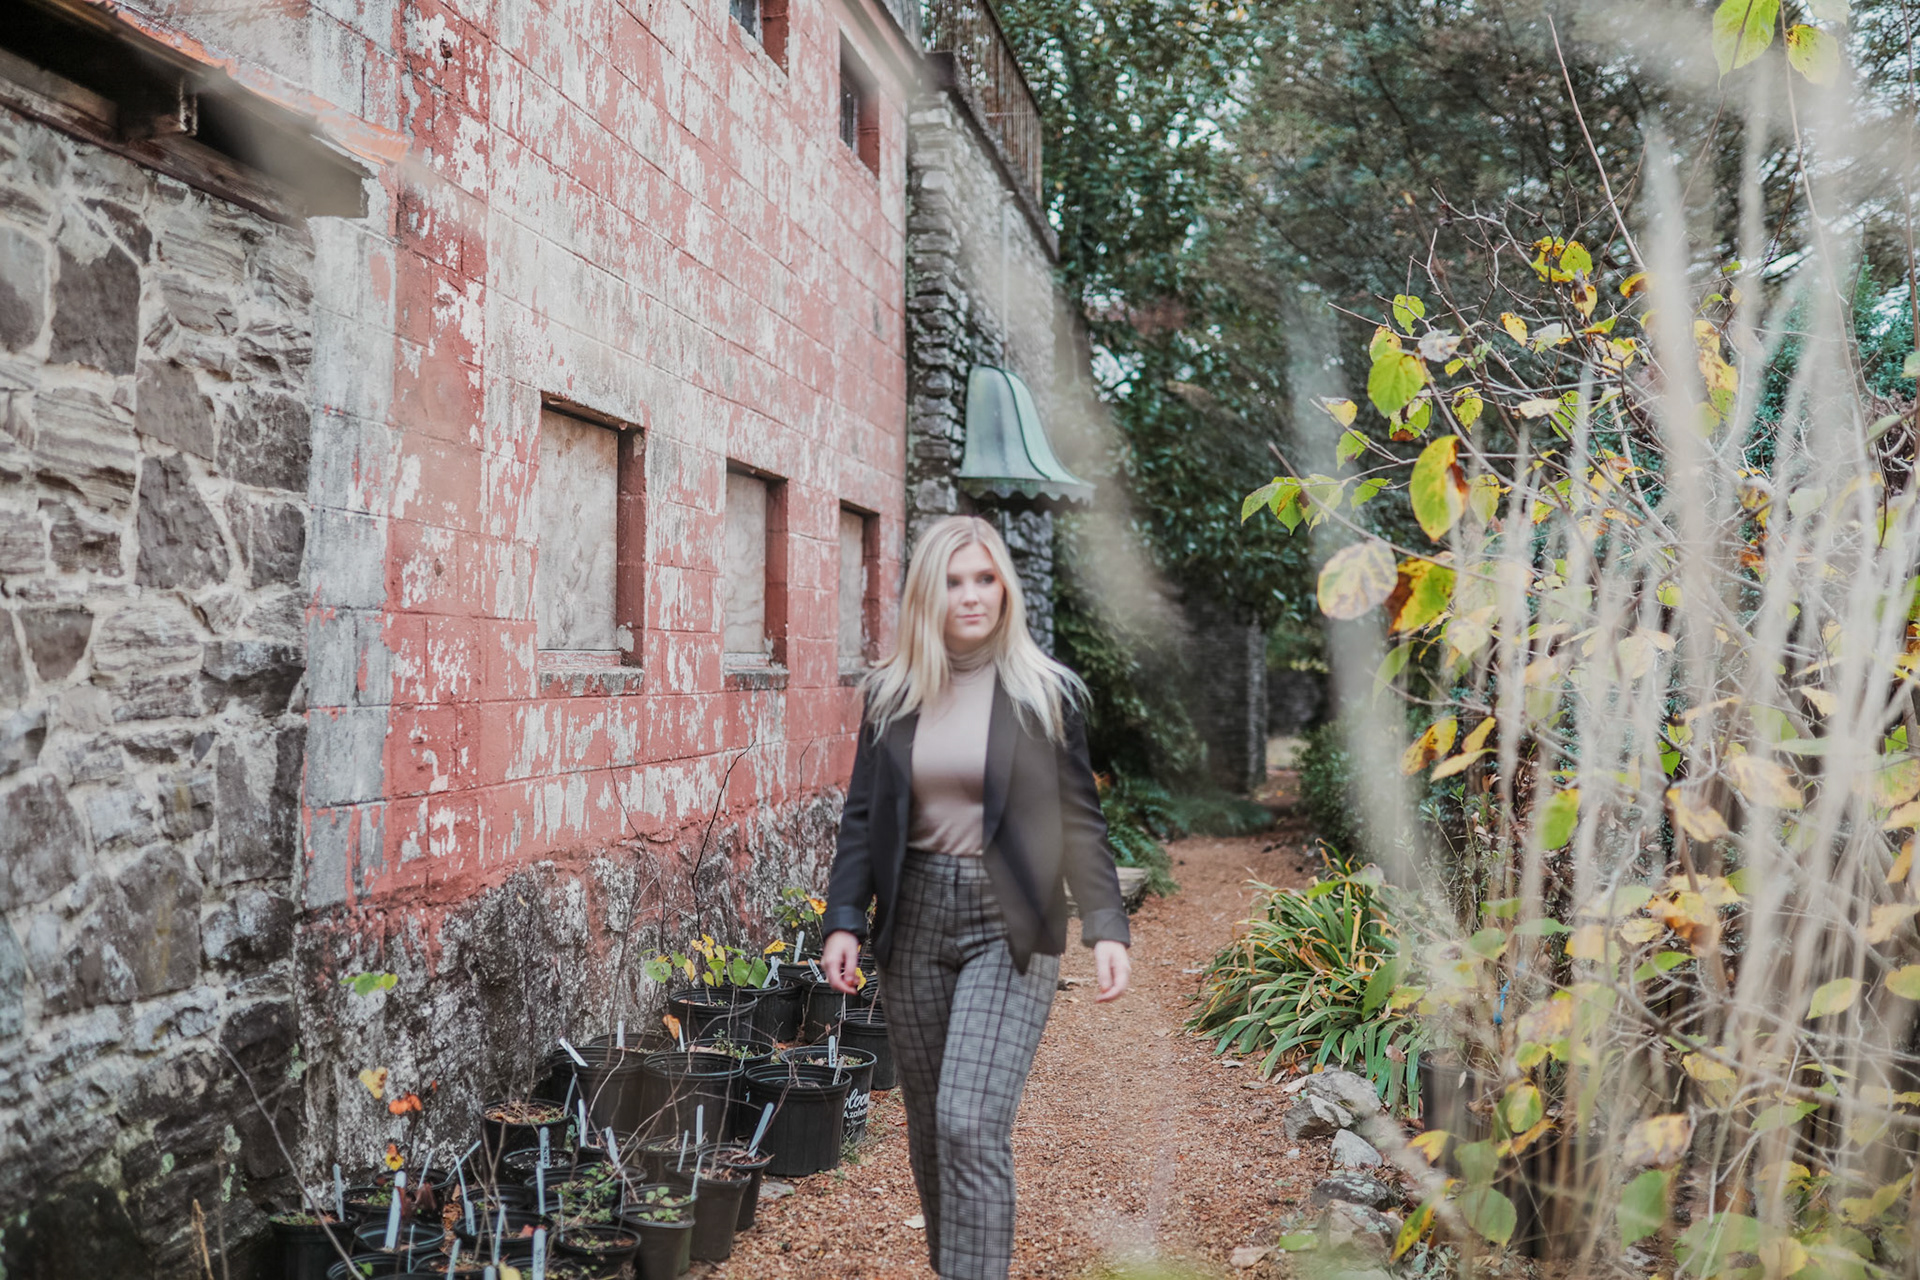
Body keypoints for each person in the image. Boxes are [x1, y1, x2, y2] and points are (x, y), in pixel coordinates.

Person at [819, 514, 1133, 1280]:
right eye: (955, 581)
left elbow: (1079, 820)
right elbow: (863, 815)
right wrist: (845, 919)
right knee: (931, 1131)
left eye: (985, 579)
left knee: (969, 1121)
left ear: (1005, 590)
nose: (971, 595)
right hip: (915, 922)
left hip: (1009, 924)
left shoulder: (1043, 695)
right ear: (929, 594)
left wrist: (1105, 924)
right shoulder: (892, 696)